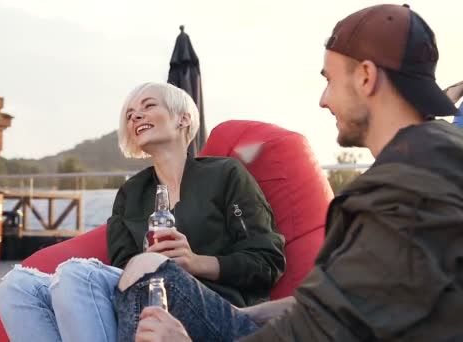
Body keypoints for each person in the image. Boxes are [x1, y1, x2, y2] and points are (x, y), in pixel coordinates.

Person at [120, 4, 463, 342]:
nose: (323, 100)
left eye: (329, 80)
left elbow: (322, 330)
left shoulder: (404, 191)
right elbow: (333, 305)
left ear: (366, 77)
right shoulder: (432, 159)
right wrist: (239, 317)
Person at [0, 82, 286, 342]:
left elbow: (266, 263)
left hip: (215, 306)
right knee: (17, 286)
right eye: (130, 113)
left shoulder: (225, 174)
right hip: (139, 296)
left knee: (76, 273)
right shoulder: (130, 193)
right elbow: (121, 269)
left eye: (148, 106)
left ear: (183, 118)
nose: (135, 115)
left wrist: (196, 262)